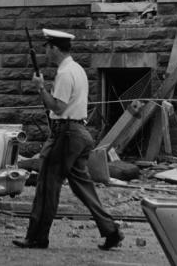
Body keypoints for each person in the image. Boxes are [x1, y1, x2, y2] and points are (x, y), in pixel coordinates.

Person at [12, 29, 123, 251]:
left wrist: (40, 88)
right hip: (79, 134)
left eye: (47, 47)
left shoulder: (64, 73)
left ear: (54, 48)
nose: (45, 51)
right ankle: (111, 230)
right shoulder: (77, 69)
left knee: (46, 184)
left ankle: (37, 237)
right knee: (83, 186)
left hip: (66, 134)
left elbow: (58, 107)